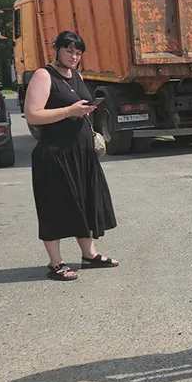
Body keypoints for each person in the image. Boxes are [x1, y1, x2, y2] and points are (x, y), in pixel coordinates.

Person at [25, 31, 119, 281]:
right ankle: (55, 264)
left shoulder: (76, 75)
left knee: (85, 204)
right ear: (56, 49)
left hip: (81, 154)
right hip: (55, 155)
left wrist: (86, 109)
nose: (74, 56)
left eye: (78, 53)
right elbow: (33, 115)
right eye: (69, 50)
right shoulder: (44, 75)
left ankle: (89, 255)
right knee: (54, 208)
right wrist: (69, 111)